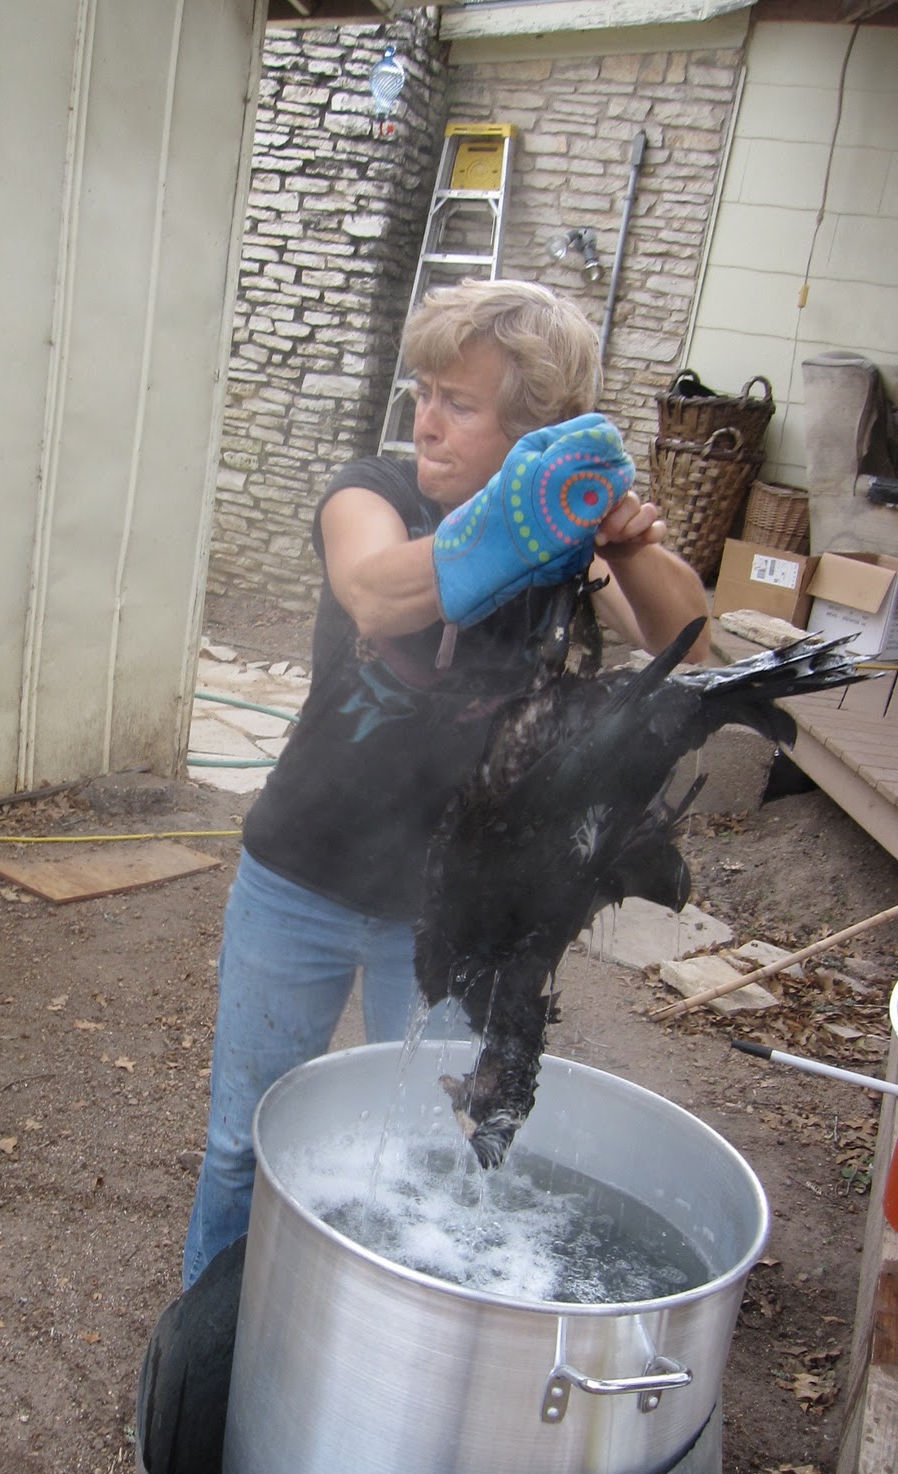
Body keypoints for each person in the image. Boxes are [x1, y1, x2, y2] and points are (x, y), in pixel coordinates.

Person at [182, 278, 709, 1288]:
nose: (424, 417)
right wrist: (519, 519)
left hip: (452, 914)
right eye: (422, 389)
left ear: (532, 429)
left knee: (437, 1151)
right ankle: (213, 1358)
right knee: (241, 1142)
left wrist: (625, 541)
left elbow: (687, 641)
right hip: (301, 876)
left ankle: (380, 1344)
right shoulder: (372, 489)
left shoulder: (569, 543)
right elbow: (376, 594)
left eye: (457, 403)